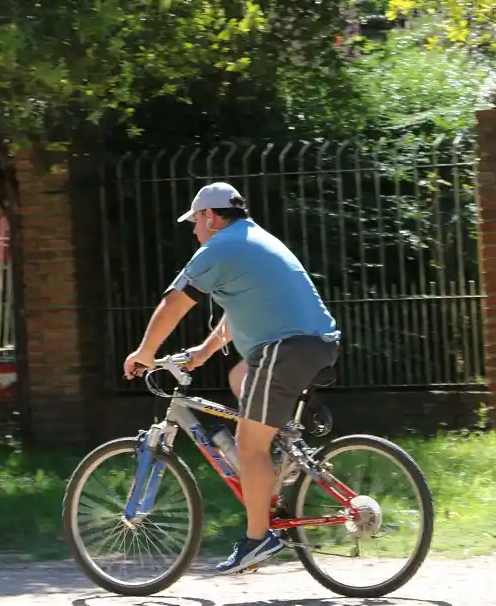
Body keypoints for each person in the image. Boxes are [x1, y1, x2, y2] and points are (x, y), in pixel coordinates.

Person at [123, 181, 340, 574]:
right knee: (240, 376)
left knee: (249, 444)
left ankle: (259, 539)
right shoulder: (251, 239)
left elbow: (174, 303)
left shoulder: (219, 247)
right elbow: (235, 314)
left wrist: (145, 352)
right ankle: (286, 452)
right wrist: (202, 353)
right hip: (311, 345)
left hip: (285, 348)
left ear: (211, 216)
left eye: (195, 222)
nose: (193, 230)